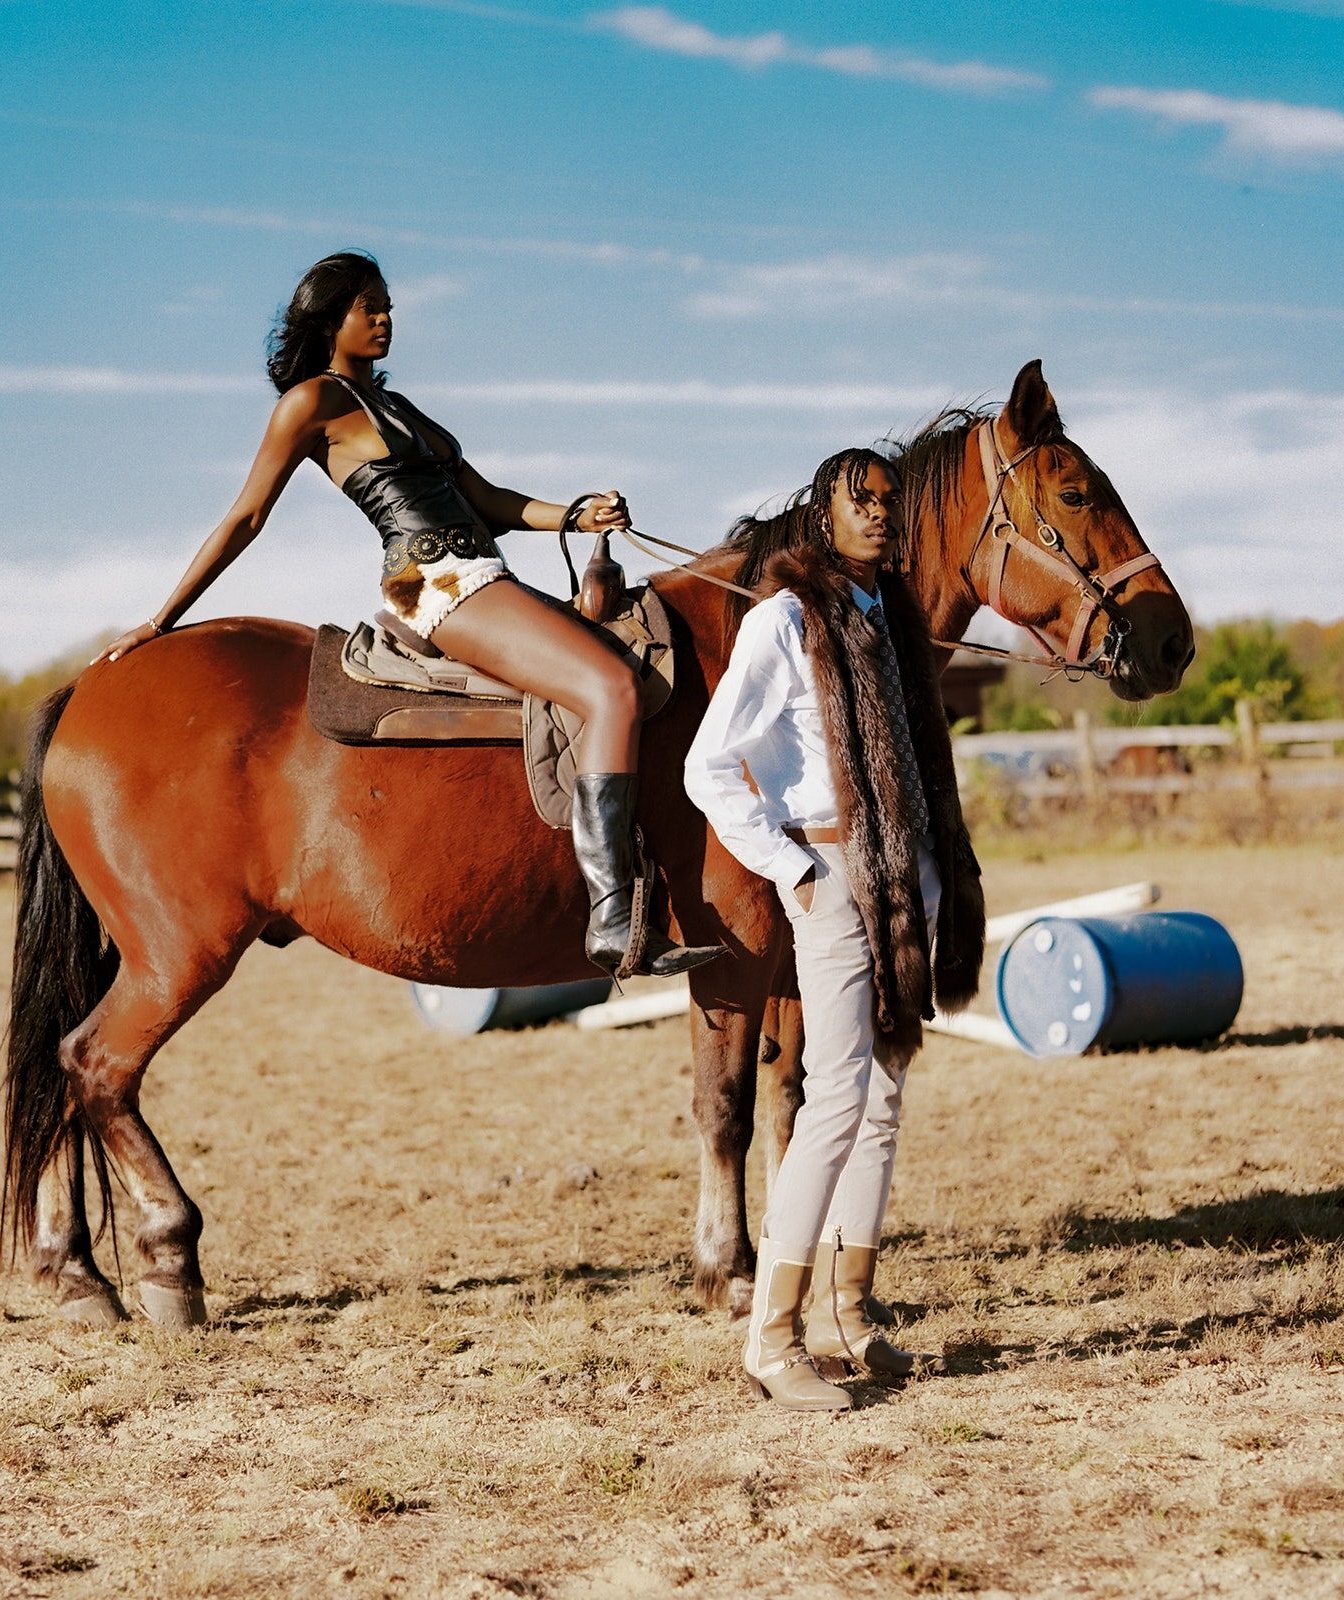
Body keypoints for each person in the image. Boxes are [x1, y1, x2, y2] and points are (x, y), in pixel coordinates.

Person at [96, 250, 719, 979]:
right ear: (332, 321)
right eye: (370, 307)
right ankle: (614, 916)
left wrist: (576, 517)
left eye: (388, 304)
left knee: (623, 668)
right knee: (608, 687)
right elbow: (246, 516)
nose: (387, 317)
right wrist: (162, 616)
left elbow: (488, 501)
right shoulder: (312, 404)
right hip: (427, 583)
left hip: (486, 571)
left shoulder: (399, 407)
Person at [683, 448, 986, 1410]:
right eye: (861, 503)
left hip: (903, 872)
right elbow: (709, 766)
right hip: (831, 866)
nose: (880, 518)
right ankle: (772, 1339)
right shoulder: (782, 618)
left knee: (886, 1086)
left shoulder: (885, 620)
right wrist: (792, 867)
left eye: (891, 505)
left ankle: (846, 1311)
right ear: (823, 513)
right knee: (836, 1096)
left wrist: (933, 872)